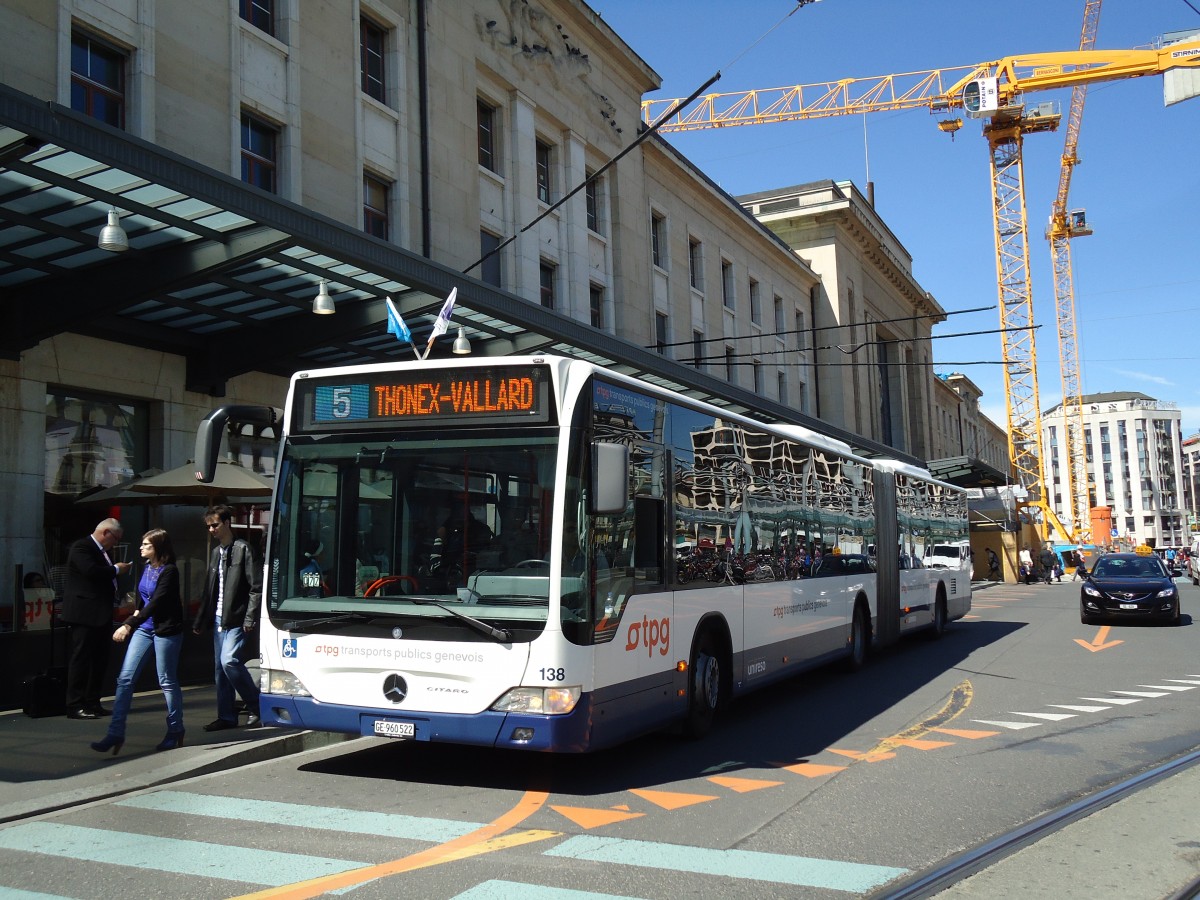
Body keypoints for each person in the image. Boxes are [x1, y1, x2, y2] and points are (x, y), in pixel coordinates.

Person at [90, 528, 185, 755]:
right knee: (125, 679)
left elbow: (157, 603)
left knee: (166, 681)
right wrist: (135, 621)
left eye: (147, 545)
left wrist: (128, 624)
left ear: (159, 548)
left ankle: (175, 730)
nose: (141, 548)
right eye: (142, 544)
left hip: (166, 630)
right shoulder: (146, 568)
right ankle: (115, 732)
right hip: (145, 628)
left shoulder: (169, 571)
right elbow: (143, 601)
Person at [193, 505, 261, 732]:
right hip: (218, 618)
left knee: (229, 661)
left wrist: (250, 618)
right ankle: (226, 716)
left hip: (237, 618)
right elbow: (210, 590)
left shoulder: (243, 549)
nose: (211, 529)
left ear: (227, 523)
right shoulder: (216, 553)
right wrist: (200, 620)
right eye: (209, 526)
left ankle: (257, 705)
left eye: (215, 525)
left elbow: (256, 587)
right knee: (220, 670)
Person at [61, 518, 132, 720]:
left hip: (101, 611)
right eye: (116, 538)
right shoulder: (82, 546)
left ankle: (93, 701)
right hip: (84, 612)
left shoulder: (104, 552)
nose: (116, 543)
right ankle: (75, 704)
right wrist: (117, 569)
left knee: (100, 660)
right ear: (106, 533)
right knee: (81, 658)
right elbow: (91, 571)